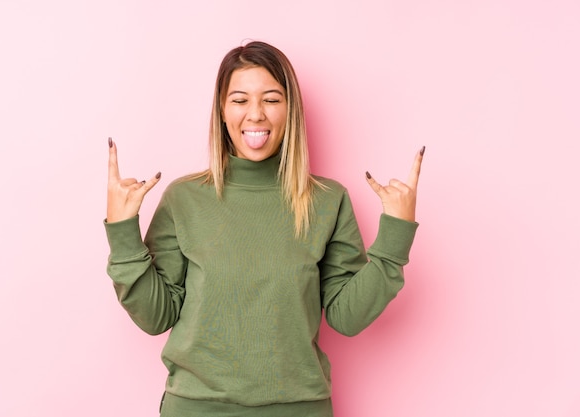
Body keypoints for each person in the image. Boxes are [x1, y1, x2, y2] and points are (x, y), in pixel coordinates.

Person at [104, 40, 424, 417]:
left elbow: (346, 317)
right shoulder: (184, 199)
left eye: (271, 99)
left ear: (291, 111)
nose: (255, 114)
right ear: (222, 112)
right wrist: (123, 231)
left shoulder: (327, 200)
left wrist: (395, 235)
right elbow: (156, 316)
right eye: (239, 100)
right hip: (196, 409)